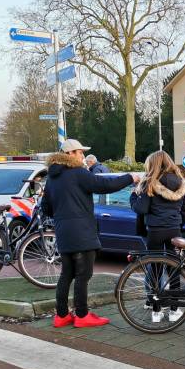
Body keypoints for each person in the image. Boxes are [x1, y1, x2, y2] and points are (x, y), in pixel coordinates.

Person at [43, 139, 136, 327]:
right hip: (82, 232)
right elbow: (104, 185)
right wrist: (130, 177)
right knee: (83, 275)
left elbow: (46, 208)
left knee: (66, 274)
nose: (82, 156)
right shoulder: (78, 173)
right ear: (69, 154)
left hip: (63, 232)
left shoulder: (51, 178)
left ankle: (61, 316)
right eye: (79, 152)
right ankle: (82, 315)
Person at [130, 151, 185, 323]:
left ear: (152, 164)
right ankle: (174, 310)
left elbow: (141, 209)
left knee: (155, 269)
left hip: (155, 231)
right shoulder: (182, 183)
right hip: (174, 230)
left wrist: (133, 196)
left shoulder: (150, 183)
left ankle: (156, 311)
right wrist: (177, 224)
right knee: (174, 270)